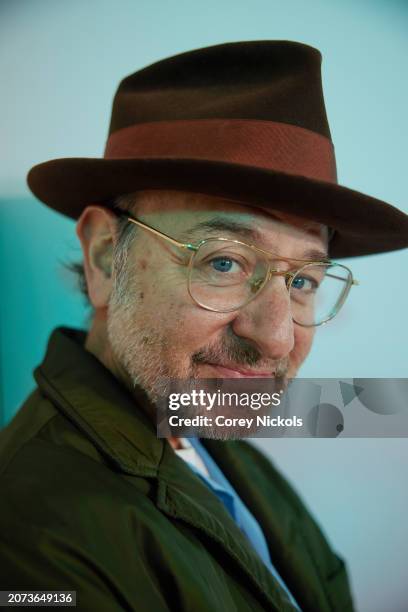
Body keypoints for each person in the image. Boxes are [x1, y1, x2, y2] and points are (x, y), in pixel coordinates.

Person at [1, 40, 407, 612]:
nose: (277, 337)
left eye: (303, 282)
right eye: (224, 262)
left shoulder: (211, 437)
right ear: (101, 256)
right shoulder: (28, 537)